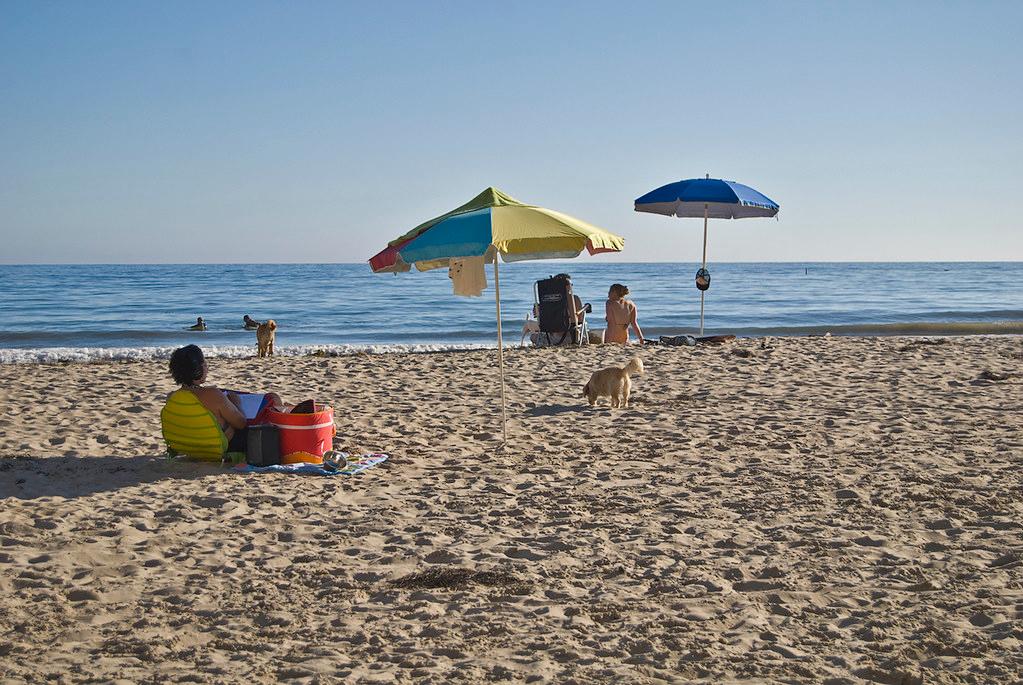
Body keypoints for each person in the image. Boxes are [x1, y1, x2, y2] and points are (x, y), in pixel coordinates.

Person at [168, 345, 283, 454]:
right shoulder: (213, 395)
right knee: (273, 399)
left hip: (191, 445)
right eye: (204, 363)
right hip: (225, 446)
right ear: (198, 369)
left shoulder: (172, 397)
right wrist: (236, 403)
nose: (207, 367)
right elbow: (241, 424)